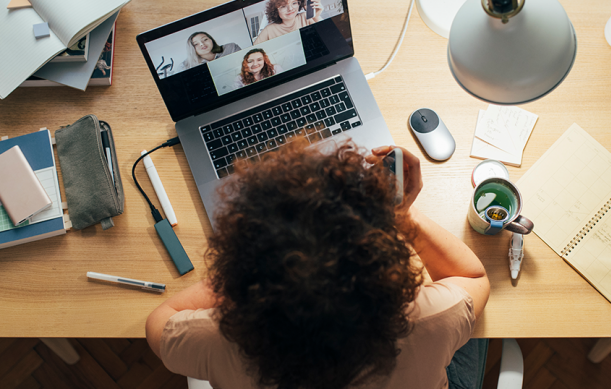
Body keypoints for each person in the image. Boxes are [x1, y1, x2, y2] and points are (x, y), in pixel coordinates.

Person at [146, 141, 492, 389]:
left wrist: (242, 270)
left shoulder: (216, 340)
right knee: (481, 328)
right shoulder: (431, 319)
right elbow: (472, 276)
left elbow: (159, 322)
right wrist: (400, 215)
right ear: (383, 271)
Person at [254, 0, 323, 43]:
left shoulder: (305, 17)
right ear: (275, 11)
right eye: (283, 6)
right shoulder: (268, 30)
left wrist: (316, 17)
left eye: (294, 3)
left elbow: (327, 36)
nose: (290, 9)